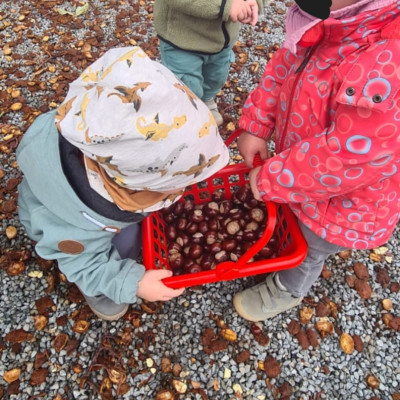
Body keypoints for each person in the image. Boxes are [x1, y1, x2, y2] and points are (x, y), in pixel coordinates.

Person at [16, 46, 230, 321]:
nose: (184, 190)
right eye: (179, 183)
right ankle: (99, 293)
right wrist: (133, 284)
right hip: (68, 228)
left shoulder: (86, 126)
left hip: (78, 203)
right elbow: (83, 263)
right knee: (122, 246)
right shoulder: (78, 226)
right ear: (136, 184)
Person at [233, 0, 400, 322]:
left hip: (343, 205)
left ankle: (287, 289)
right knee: (292, 222)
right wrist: (257, 124)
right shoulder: (324, 20)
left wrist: (273, 179)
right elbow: (283, 68)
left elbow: (350, 157)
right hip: (299, 172)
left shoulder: (388, 61)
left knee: (308, 249)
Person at [153, 0, 267, 127]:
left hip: (222, 39)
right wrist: (225, 5)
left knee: (215, 77)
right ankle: (187, 113)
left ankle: (207, 100)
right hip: (182, 40)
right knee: (186, 85)